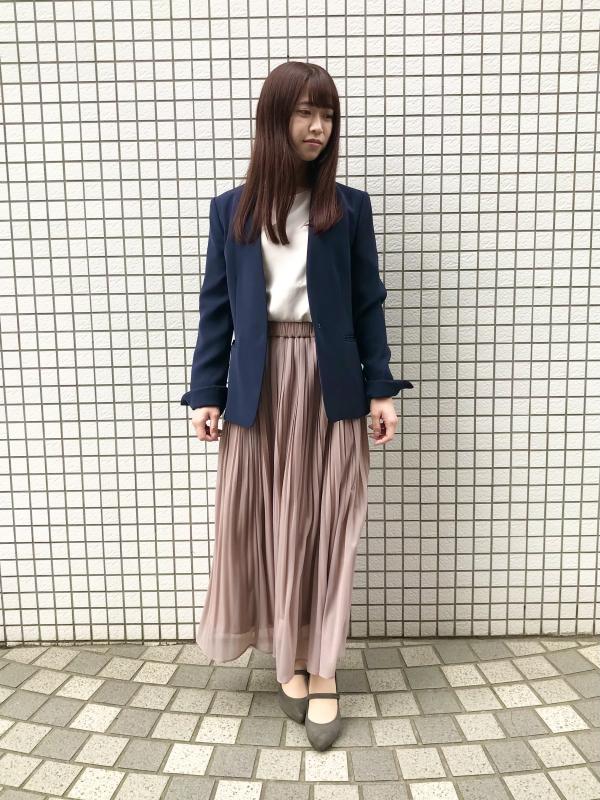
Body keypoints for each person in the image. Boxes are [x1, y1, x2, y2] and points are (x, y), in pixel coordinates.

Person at [181, 61, 414, 750]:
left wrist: (380, 388)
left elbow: (368, 304)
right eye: (305, 112)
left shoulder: (349, 208)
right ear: (274, 119)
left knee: (330, 524)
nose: (318, 127)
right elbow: (217, 309)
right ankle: (289, 659)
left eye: (328, 115)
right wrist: (205, 392)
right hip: (258, 387)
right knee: (272, 524)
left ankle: (324, 667)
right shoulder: (233, 209)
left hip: (331, 382)